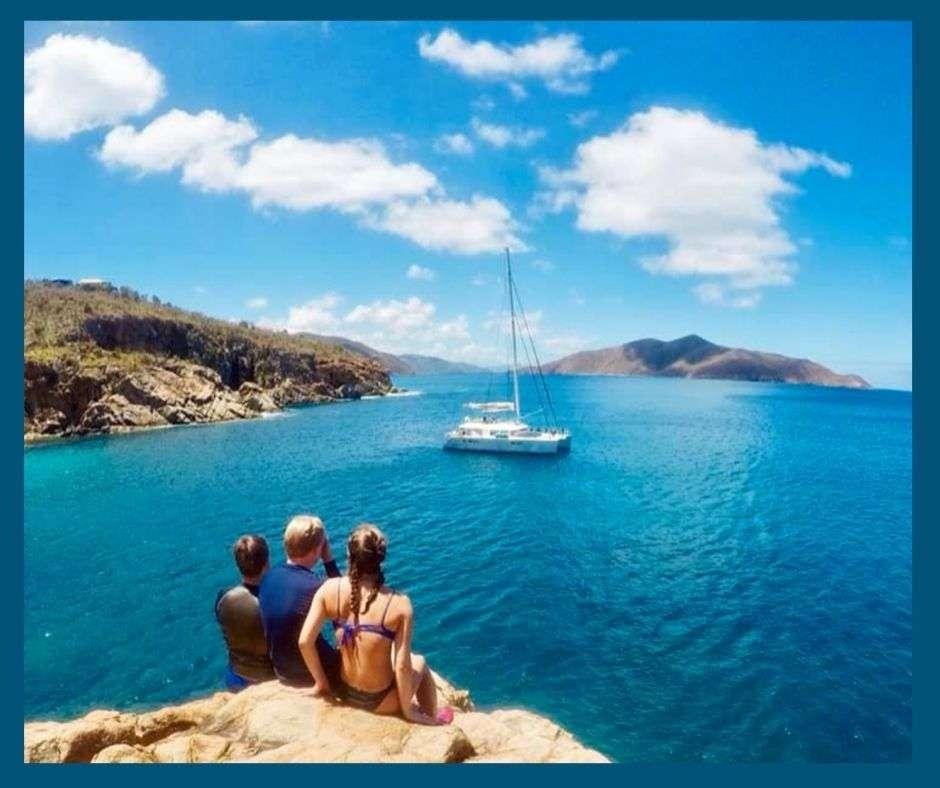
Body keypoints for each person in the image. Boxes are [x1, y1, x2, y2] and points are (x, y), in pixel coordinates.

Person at [298, 523, 453, 725]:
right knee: (420, 661)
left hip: (343, 691)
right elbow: (402, 666)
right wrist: (407, 711)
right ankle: (431, 717)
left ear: (349, 555)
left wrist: (321, 684)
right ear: (381, 558)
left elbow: (304, 642)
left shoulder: (329, 589)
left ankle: (426, 714)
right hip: (380, 702)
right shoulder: (399, 604)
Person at [258, 514, 341, 687]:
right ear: (317, 549)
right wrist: (329, 560)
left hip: (282, 672)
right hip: (310, 674)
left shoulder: (268, 577)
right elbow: (343, 612)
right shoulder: (315, 586)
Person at [215, 534, 275, 691]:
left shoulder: (223, 598)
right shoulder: (274, 600)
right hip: (272, 678)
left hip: (236, 677)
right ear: (267, 563)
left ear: (238, 565)